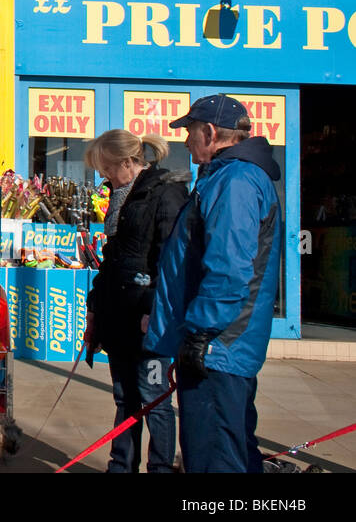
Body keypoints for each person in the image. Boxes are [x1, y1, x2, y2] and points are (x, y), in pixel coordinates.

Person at [145, 94, 282, 474]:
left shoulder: (236, 180)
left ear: (209, 132)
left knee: (215, 457)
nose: (185, 141)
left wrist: (200, 335)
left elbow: (228, 268)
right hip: (218, 345)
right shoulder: (226, 176)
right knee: (229, 450)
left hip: (219, 347)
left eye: (189, 131)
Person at [83, 129, 187, 473]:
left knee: (155, 400)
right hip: (118, 316)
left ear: (128, 162)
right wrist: (95, 308)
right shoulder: (119, 195)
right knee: (124, 397)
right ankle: (121, 466)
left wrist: (154, 308)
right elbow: (111, 261)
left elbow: (171, 259)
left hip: (148, 318)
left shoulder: (166, 193)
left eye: (108, 168)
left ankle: (160, 468)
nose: (104, 176)